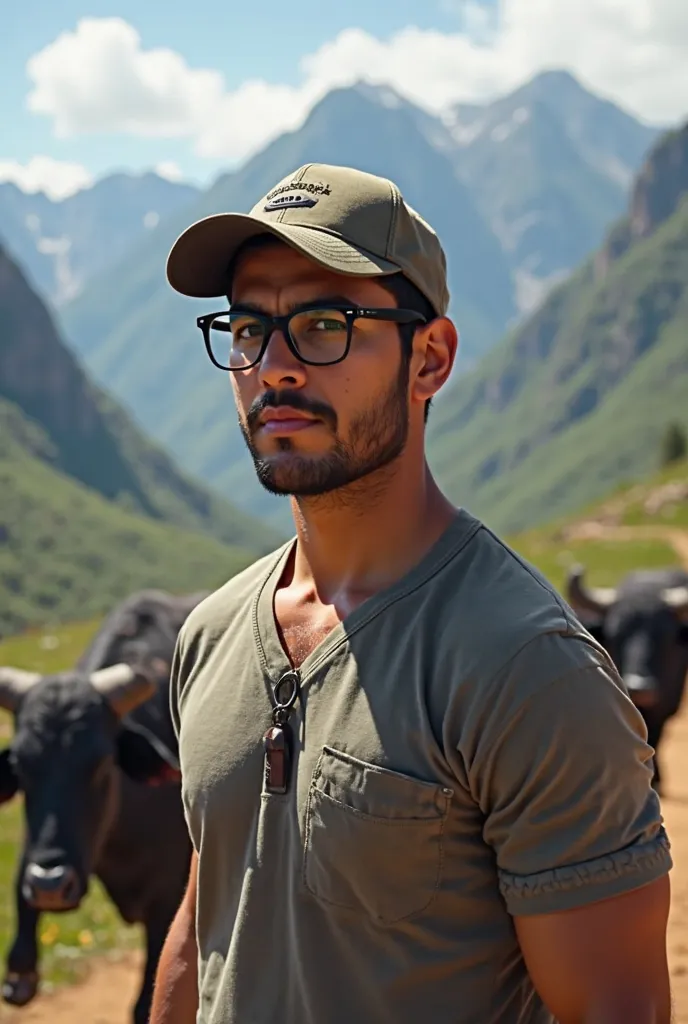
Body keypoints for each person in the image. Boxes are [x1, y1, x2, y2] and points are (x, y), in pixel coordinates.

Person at [150, 163, 672, 1024]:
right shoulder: (210, 637)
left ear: (429, 359)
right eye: (248, 328)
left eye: (324, 324)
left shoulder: (527, 670)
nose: (272, 365)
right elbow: (213, 922)